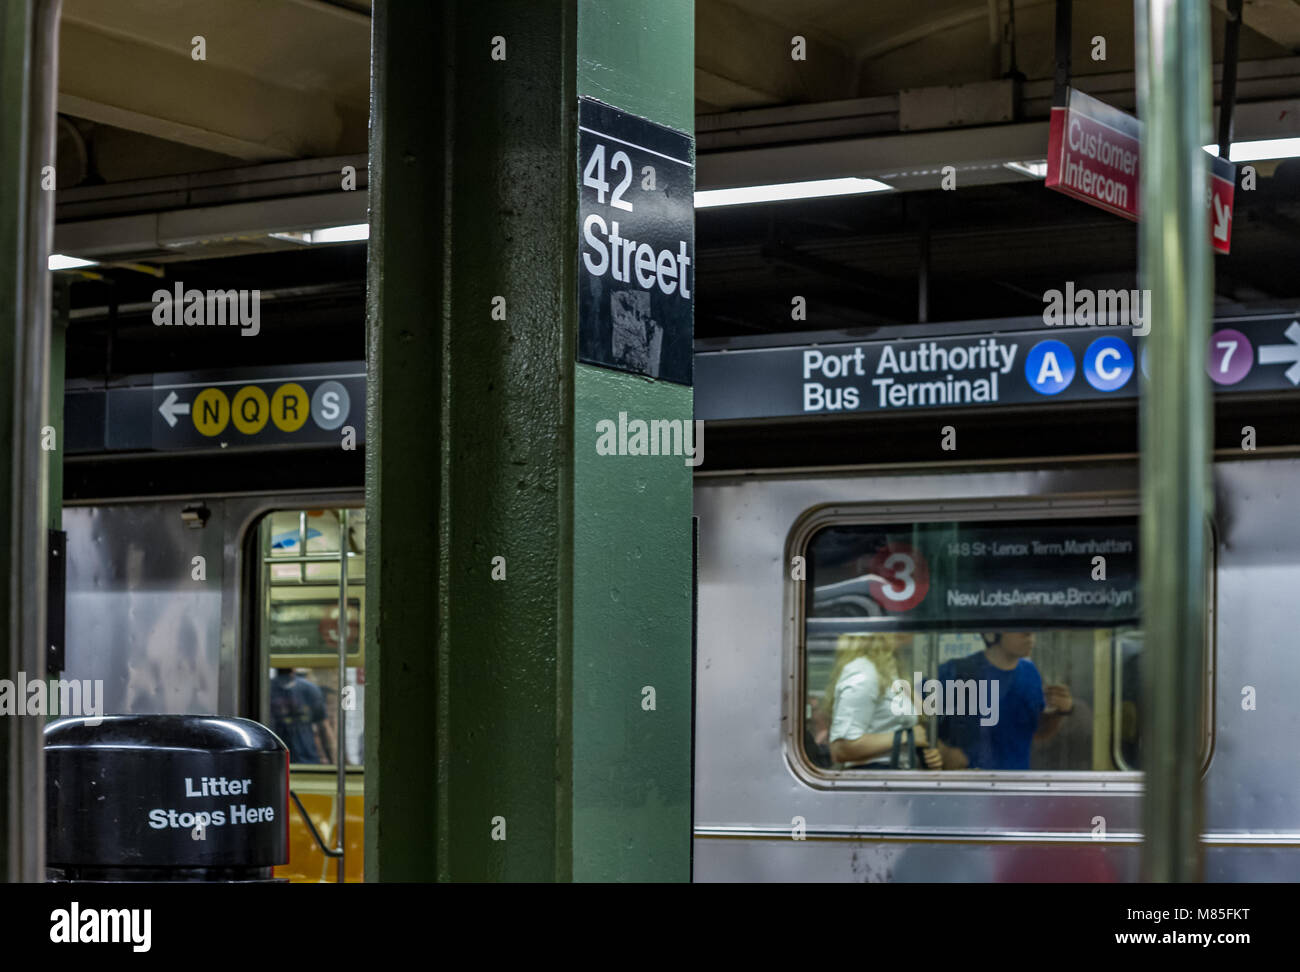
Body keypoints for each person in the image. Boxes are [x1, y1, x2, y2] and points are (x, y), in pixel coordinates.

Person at [935, 631, 1072, 770]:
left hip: (1017, 783)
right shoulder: (957, 671)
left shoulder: (1031, 673)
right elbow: (915, 714)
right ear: (992, 633)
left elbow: (1035, 732)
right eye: (1018, 626)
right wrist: (944, 751)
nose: (1029, 634)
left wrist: (1060, 711)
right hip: (969, 783)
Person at [825, 632, 942, 770]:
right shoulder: (863, 672)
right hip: (873, 777)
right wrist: (906, 737)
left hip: (895, 773)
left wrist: (927, 756)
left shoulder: (889, 673)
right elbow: (841, 748)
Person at [269, 668, 335, 765]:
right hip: (305, 757)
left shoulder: (266, 688)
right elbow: (323, 728)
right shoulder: (309, 689)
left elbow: (323, 728)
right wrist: (332, 762)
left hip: (275, 757)